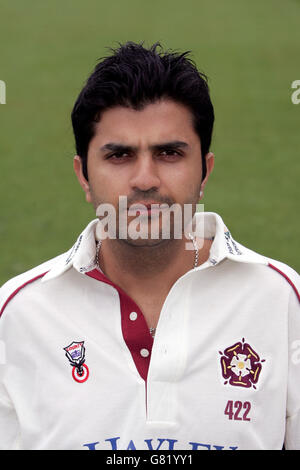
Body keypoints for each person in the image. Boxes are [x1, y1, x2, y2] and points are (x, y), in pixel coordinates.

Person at [0, 42, 299, 451]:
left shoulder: (281, 300)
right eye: (119, 155)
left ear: (204, 171)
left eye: (169, 153)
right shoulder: (17, 315)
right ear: (83, 176)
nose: (145, 179)